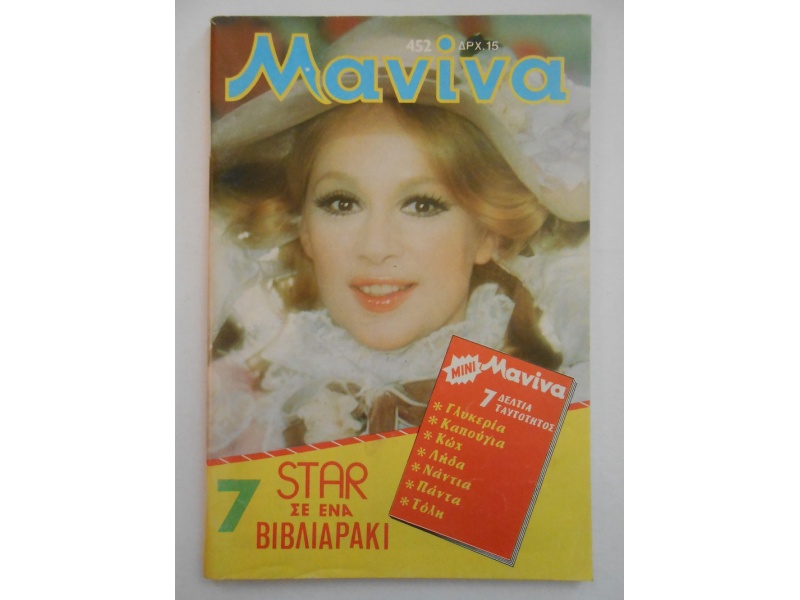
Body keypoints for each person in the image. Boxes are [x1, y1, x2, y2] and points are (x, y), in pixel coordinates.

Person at [207, 17, 590, 458]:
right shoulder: (239, 414)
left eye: (422, 205)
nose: (376, 247)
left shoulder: (562, 412)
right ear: (303, 227)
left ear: (489, 230)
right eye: (341, 203)